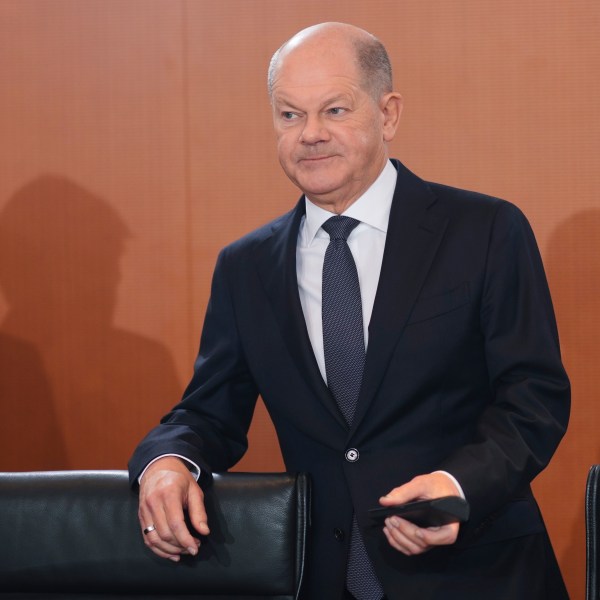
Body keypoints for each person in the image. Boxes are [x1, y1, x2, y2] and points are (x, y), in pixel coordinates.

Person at [129, 22, 570, 600]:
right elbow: (210, 412)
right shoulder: (246, 267)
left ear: (387, 114)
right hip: (324, 578)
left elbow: (533, 395)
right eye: (290, 115)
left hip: (478, 572)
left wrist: (459, 483)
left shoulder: (485, 230)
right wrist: (167, 462)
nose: (310, 134)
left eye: (334, 110)